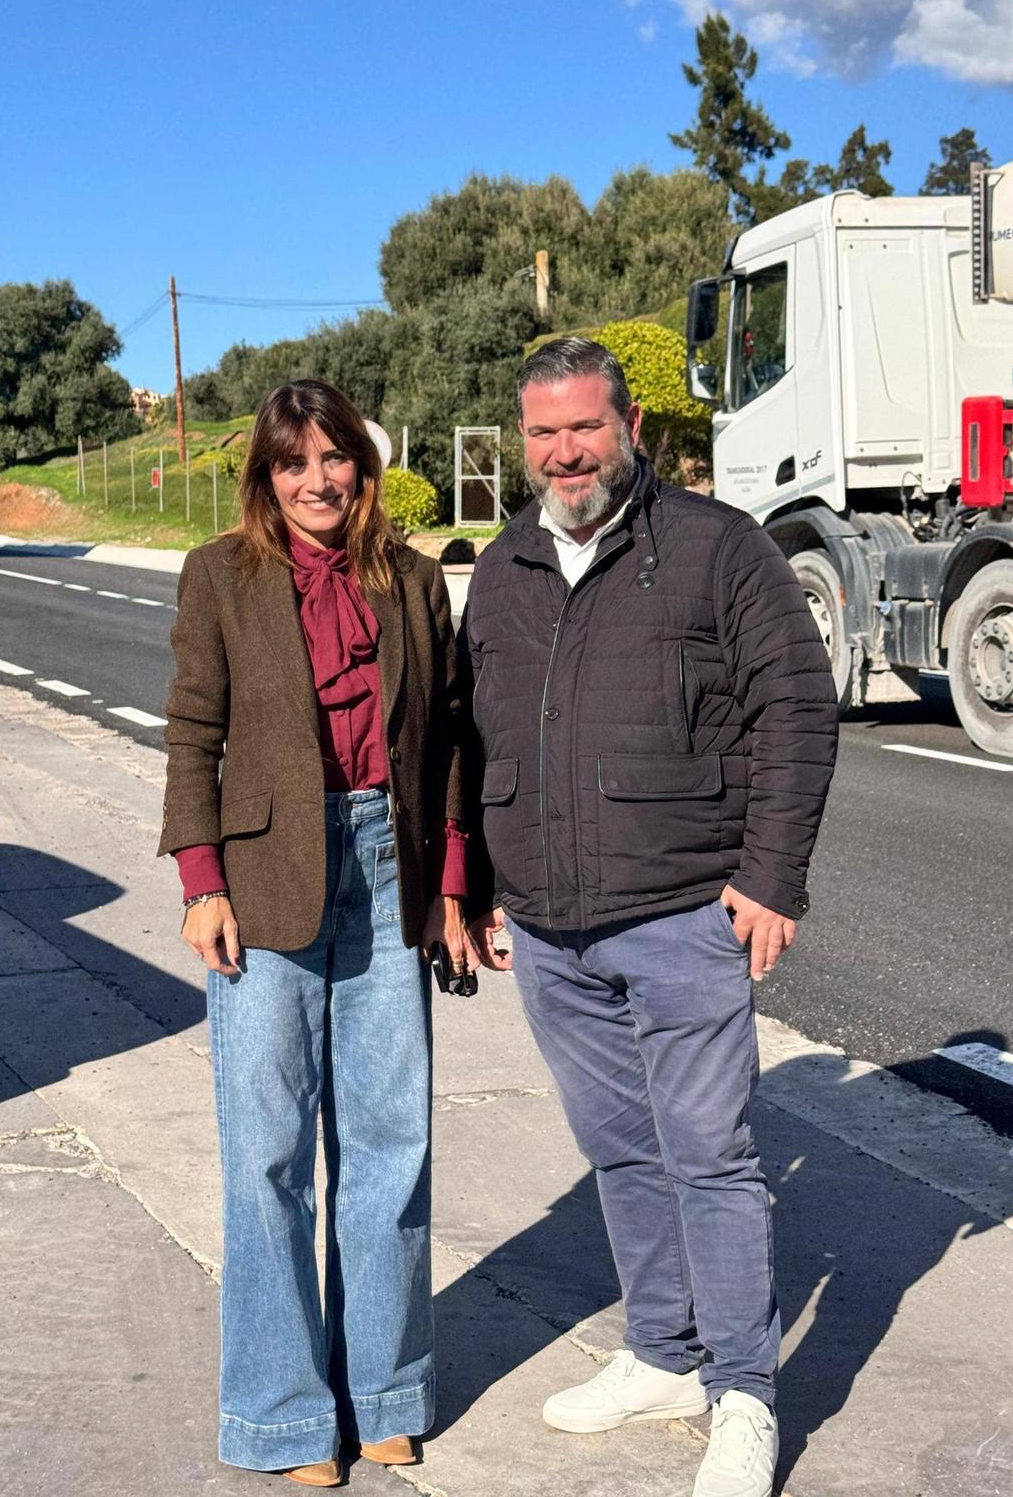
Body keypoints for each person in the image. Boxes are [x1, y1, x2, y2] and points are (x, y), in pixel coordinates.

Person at [463, 338, 838, 1497]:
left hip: (681, 911)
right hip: (548, 924)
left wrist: (772, 875)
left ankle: (743, 1393)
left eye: (583, 427)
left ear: (628, 424)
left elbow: (796, 705)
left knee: (711, 1156)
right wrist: (472, 881)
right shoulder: (505, 560)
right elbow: (472, 732)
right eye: (542, 432)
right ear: (519, 441)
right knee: (620, 1149)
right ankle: (661, 1353)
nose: (564, 451)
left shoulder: (716, 548)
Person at [158, 379, 475, 1488]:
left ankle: (385, 1391)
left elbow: (447, 738)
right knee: (270, 1156)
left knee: (391, 1144)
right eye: (293, 464)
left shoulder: (416, 582)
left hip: (390, 864)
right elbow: (194, 728)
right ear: (265, 475)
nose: (316, 482)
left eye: (333, 459)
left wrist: (451, 885)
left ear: (363, 467)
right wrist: (202, 879)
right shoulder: (219, 578)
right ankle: (284, 1414)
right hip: (263, 875)